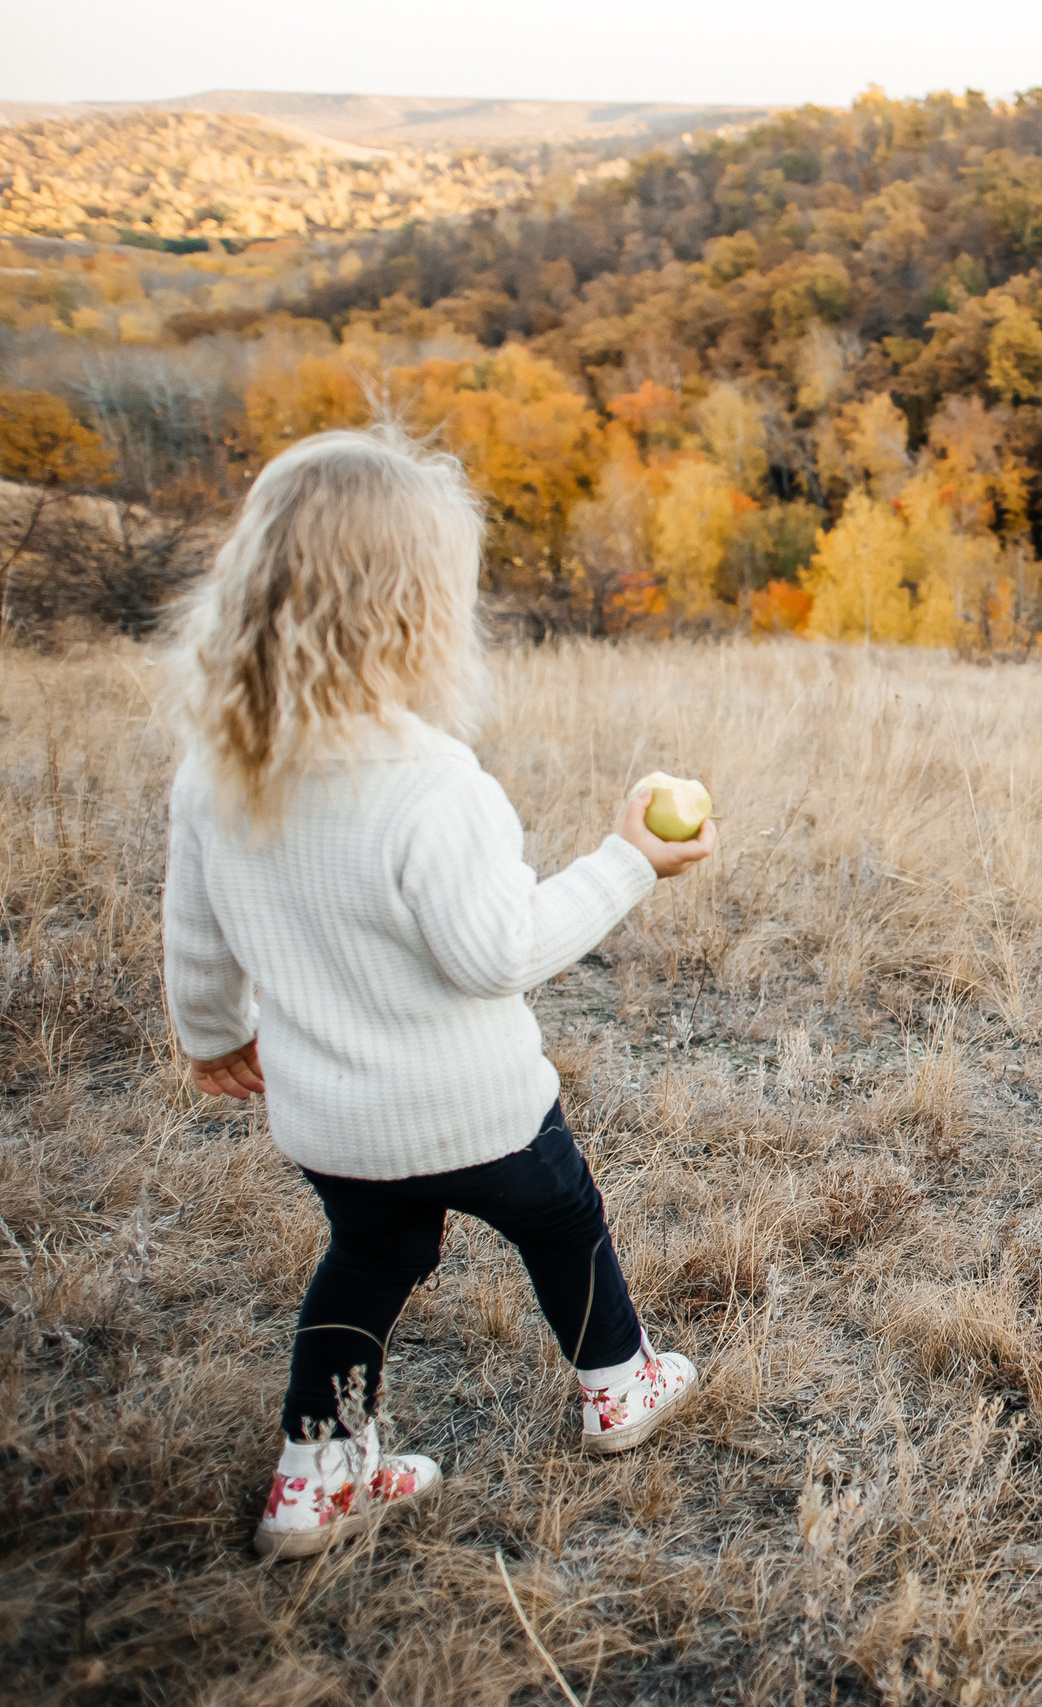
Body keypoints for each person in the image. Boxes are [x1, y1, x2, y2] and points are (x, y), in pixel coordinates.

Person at [161, 428, 717, 1561]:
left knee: (367, 1261)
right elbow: (496, 952)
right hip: (480, 1111)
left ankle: (317, 1481)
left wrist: (212, 1037)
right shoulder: (432, 786)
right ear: (418, 613)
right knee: (562, 1220)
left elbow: (198, 936)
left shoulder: (218, 770)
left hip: (332, 1120)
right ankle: (618, 1383)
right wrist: (627, 866)